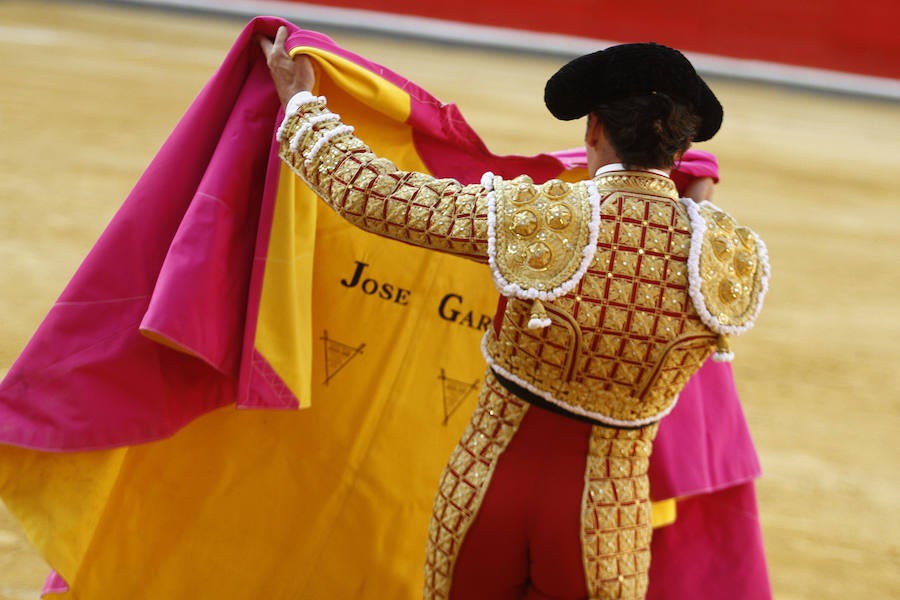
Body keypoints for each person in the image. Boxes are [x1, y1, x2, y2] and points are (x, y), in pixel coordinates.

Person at [260, 25, 769, 600]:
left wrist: (300, 104)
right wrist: (697, 210)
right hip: (606, 519)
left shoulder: (543, 214)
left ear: (593, 128)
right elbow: (657, 282)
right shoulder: (728, 256)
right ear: (680, 149)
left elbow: (371, 194)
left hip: (486, 490)